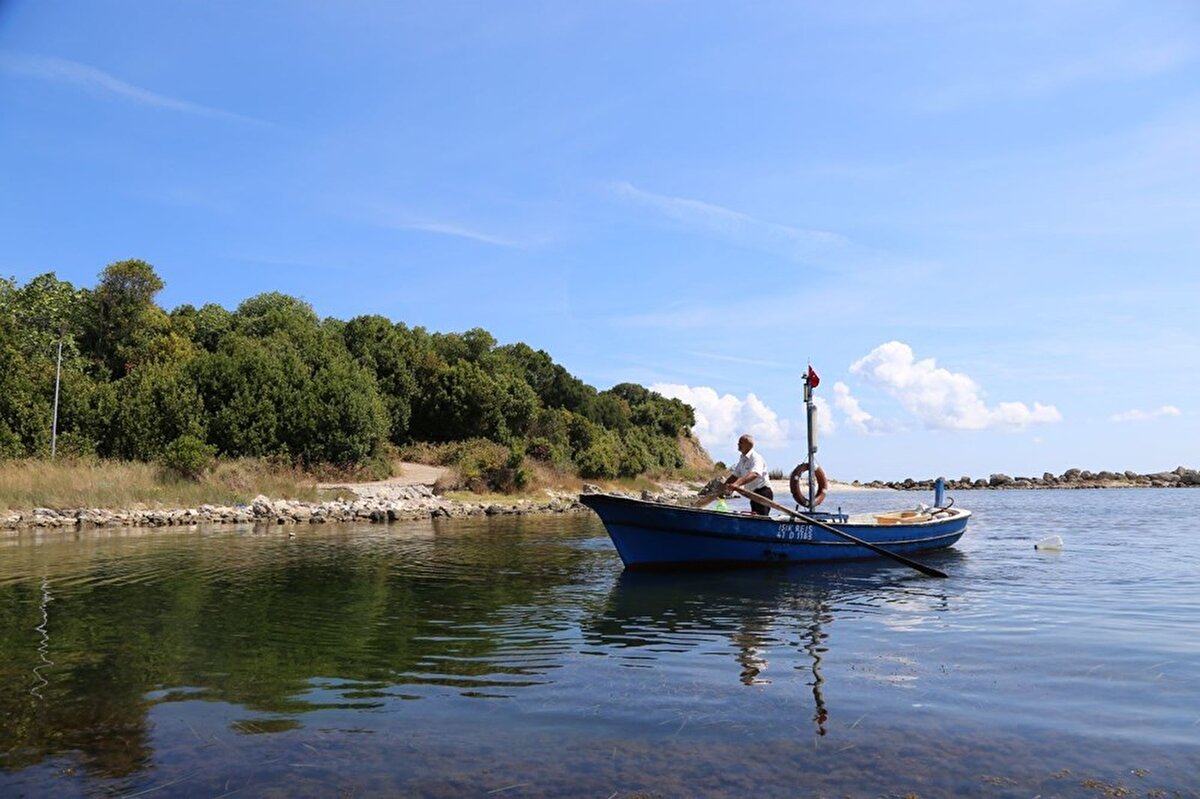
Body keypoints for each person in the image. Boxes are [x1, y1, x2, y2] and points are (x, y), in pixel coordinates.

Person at [725, 433, 774, 516]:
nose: (738, 444)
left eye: (740, 443)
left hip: (763, 493)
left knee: (760, 518)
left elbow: (754, 474)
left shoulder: (756, 458)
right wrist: (725, 485)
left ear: (748, 444)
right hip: (753, 494)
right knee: (754, 516)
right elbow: (735, 475)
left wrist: (736, 484)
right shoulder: (742, 459)